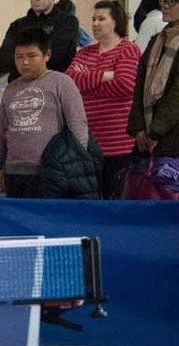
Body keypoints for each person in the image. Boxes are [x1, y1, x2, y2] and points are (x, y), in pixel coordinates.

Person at [0, 28, 90, 198]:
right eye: (19, 56)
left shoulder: (62, 83)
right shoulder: (10, 90)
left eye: (31, 56)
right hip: (15, 173)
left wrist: (74, 166)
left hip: (52, 173)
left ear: (47, 55)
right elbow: (0, 132)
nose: (25, 62)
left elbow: (78, 126)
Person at [66, 1, 141, 199]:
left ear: (116, 22)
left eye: (101, 19)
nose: (95, 24)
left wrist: (89, 78)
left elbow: (125, 85)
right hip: (89, 144)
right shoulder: (84, 53)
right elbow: (70, 82)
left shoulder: (128, 50)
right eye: (93, 19)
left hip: (120, 145)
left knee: (118, 201)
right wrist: (106, 75)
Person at [128, 0, 179, 162]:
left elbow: (176, 96)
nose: (164, 5)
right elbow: (139, 85)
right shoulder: (156, 40)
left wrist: (156, 132)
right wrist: (139, 129)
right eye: (163, 1)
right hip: (149, 133)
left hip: (171, 137)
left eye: (172, 2)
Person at [0, 0, 80, 81]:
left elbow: (61, 57)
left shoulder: (67, 22)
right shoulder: (17, 25)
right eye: (19, 56)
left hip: (53, 86)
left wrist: (21, 60)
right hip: (19, 88)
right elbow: (3, 61)